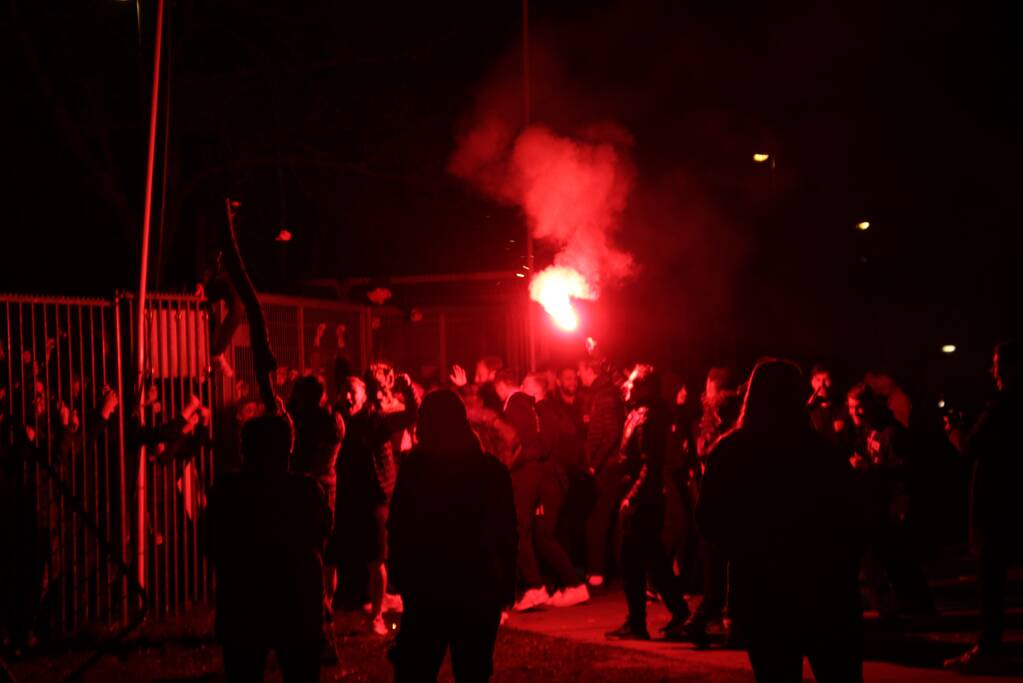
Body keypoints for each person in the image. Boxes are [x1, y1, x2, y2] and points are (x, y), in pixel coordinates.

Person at [696, 359, 865, 682]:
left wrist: (743, 549)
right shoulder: (822, 453)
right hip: (825, 591)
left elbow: (709, 521)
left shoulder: (729, 452)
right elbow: (853, 519)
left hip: (764, 593)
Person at [387, 389, 517, 682]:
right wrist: (506, 582)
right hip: (477, 589)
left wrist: (401, 575)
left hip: (429, 588)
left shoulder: (415, 471)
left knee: (416, 670)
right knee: (473, 670)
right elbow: (507, 533)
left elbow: (399, 526)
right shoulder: (491, 471)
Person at [207, 413, 330, 683]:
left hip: (243, 601)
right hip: (297, 602)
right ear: (289, 448)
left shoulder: (227, 492)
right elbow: (322, 535)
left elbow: (211, 542)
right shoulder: (306, 490)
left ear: (245, 449)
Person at [945, 340, 1023, 674]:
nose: (993, 371)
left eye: (997, 364)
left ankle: (988, 647)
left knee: (991, 581)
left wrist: (955, 433)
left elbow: (971, 446)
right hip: (1015, 502)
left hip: (996, 506)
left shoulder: (1002, 407)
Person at [605, 365, 690, 640]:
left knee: (631, 560)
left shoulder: (650, 418)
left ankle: (637, 623)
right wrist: (601, 358)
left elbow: (648, 464)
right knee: (655, 560)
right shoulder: (641, 409)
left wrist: (632, 496)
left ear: (644, 388)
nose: (626, 387)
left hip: (644, 501)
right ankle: (678, 612)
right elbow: (622, 381)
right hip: (643, 498)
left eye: (632, 383)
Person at [847, 383, 933, 618]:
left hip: (895, 501)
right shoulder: (866, 430)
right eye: (851, 408)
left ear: (871, 406)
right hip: (878, 503)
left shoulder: (891, 432)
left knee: (902, 557)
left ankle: (920, 606)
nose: (855, 413)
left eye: (859, 408)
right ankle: (902, 605)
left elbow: (903, 468)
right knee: (888, 559)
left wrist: (871, 470)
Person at [332, 376, 398, 635]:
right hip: (345, 498)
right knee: (331, 558)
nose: (347, 397)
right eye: (343, 391)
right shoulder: (334, 420)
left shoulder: (374, 420)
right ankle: (326, 613)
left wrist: (401, 390)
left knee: (376, 559)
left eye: (352, 392)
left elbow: (409, 416)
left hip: (373, 498)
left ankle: (377, 616)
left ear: (363, 396)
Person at [523, 373, 590, 607]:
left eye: (525, 386)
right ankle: (567, 584)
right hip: (553, 480)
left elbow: (546, 447)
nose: (521, 389)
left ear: (535, 390)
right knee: (546, 536)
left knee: (545, 536)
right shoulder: (549, 410)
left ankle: (575, 585)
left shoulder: (543, 412)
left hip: (550, 481)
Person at [493, 369, 555, 611]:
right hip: (532, 472)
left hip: (524, 474)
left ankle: (534, 586)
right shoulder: (527, 405)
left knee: (518, 529)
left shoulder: (515, 406)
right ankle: (535, 584)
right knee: (522, 529)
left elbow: (514, 442)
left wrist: (505, 468)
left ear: (501, 386)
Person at [579, 358, 626, 588]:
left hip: (607, 467)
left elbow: (610, 433)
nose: (579, 376)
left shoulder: (604, 396)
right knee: (605, 519)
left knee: (598, 519)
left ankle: (598, 571)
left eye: (581, 370)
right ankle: (608, 569)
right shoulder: (603, 394)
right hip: (608, 466)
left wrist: (594, 464)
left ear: (590, 370)